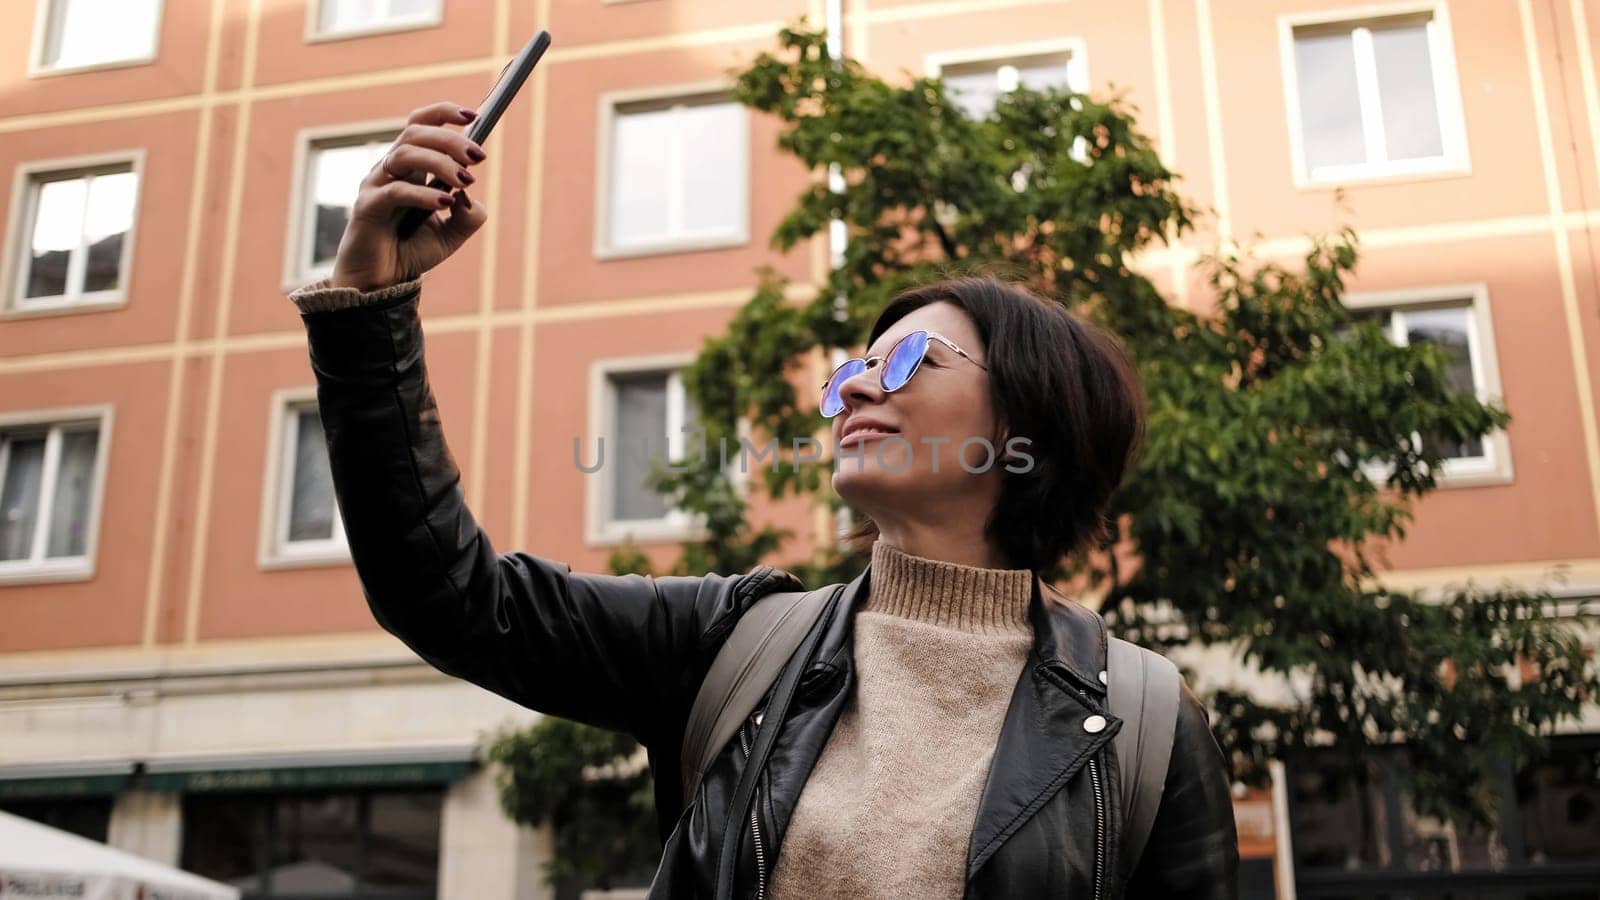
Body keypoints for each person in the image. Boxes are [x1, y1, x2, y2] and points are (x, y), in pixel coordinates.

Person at [288, 101, 1239, 899]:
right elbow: (450, 598)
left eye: (909, 360)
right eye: (851, 371)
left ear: (1034, 419)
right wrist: (373, 306)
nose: (858, 389)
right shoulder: (735, 646)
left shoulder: (1146, 725)